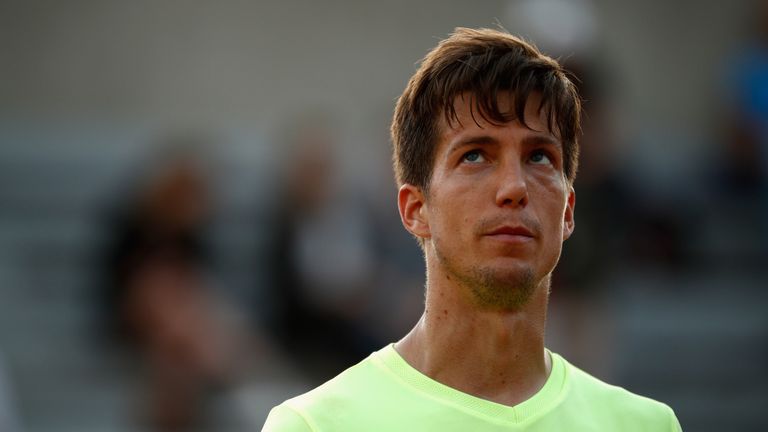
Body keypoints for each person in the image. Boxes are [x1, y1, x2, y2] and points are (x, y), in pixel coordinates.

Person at [262, 27, 682, 431]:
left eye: (539, 157)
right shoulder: (316, 426)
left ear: (568, 210)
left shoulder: (644, 426)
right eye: (476, 156)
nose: (514, 187)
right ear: (415, 209)